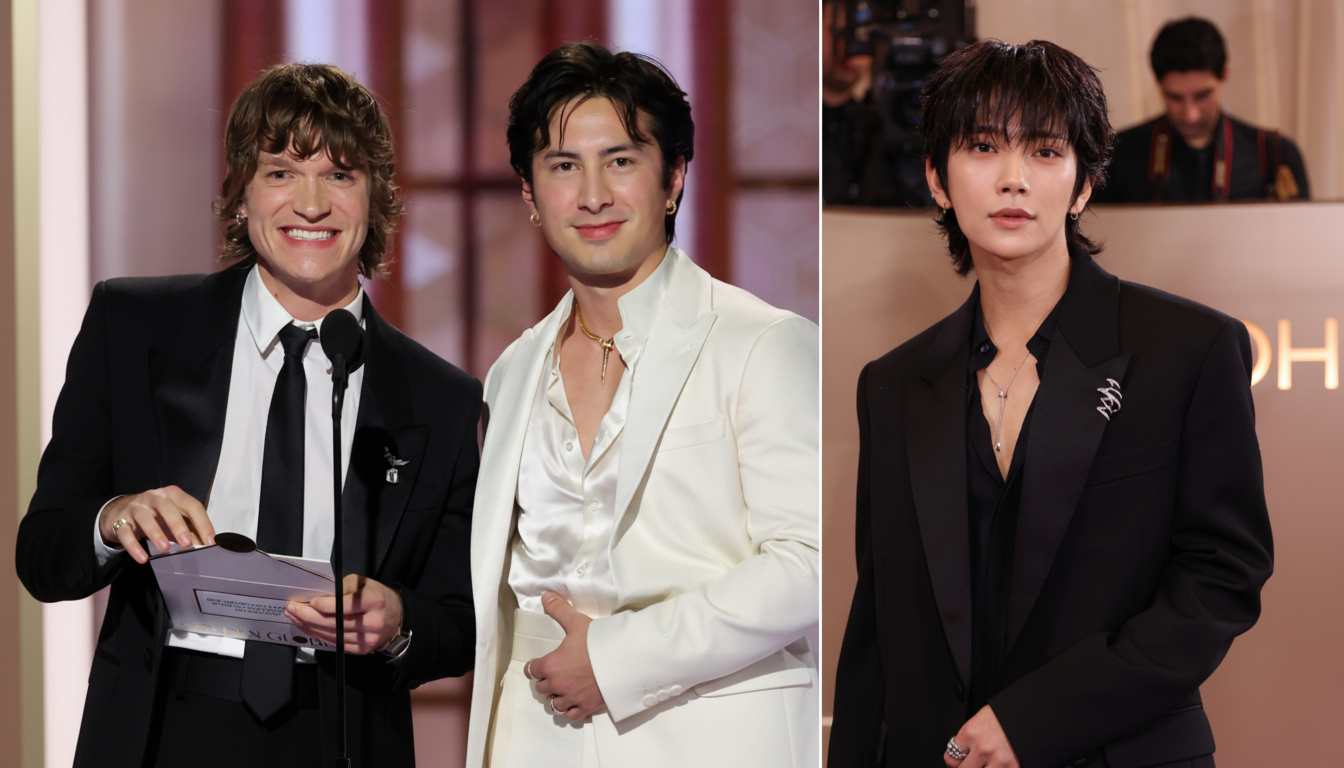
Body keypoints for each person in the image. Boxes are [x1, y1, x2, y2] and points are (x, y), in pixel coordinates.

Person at [15, 63, 479, 768]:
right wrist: (116, 519)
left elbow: (461, 620)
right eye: (281, 172)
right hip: (159, 726)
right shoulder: (134, 326)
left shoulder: (439, 396)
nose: (312, 203)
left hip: (342, 731)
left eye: (342, 175)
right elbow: (43, 555)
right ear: (240, 196)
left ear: (378, 201)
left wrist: (398, 621)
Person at [829, 39, 1273, 767]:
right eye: (981, 147)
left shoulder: (1187, 349)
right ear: (939, 180)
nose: (1012, 180)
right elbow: (880, 625)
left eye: (1043, 151)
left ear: (1083, 183)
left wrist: (1034, 719)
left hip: (1122, 750)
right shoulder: (893, 382)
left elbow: (1221, 576)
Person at [463, 42, 820, 768]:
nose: (592, 195)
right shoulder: (509, 372)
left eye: (621, 161)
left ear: (674, 179)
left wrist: (622, 661)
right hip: (535, 736)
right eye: (564, 166)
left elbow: (807, 564)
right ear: (531, 196)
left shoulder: (764, 342)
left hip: (713, 735)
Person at [1097, 17, 1309, 203]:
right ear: (1157, 83)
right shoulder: (1118, 154)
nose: (1191, 114)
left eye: (1202, 96)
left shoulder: (1275, 153)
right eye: (1175, 97)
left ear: (1225, 74)